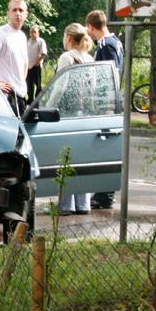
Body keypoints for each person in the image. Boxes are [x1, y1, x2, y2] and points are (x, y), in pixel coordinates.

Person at [52, 23, 95, 215]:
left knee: (66, 158)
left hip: (68, 114)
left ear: (69, 37)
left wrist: (47, 107)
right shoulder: (89, 58)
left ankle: (66, 205)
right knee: (83, 159)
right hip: (86, 113)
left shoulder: (67, 57)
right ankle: (84, 203)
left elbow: (60, 87)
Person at [85, 9, 124, 209]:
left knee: (105, 148)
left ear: (91, 27)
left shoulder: (105, 45)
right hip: (112, 98)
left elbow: (111, 73)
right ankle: (104, 192)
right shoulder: (116, 41)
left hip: (107, 100)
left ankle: (105, 194)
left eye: (89, 29)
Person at [26, 26, 47, 105]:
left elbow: (43, 53)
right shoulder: (28, 41)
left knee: (37, 84)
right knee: (29, 83)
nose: (33, 33)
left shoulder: (41, 41)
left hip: (36, 65)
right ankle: (30, 99)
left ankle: (38, 100)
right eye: (31, 32)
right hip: (29, 65)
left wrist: (37, 62)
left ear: (38, 33)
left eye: (35, 32)